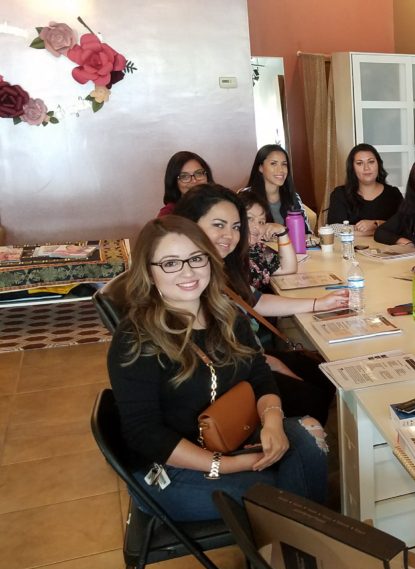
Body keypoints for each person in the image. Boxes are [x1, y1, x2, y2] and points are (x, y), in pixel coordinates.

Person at [105, 216, 327, 522]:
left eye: (196, 258)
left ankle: (295, 550)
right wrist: (225, 464)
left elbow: (259, 375)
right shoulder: (136, 339)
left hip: (233, 436)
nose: (188, 271)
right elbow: (144, 434)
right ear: (149, 272)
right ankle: (297, 553)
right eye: (170, 263)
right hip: (171, 468)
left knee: (309, 441)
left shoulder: (225, 314)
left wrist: (273, 421)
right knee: (276, 492)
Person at [173, 184, 345, 423]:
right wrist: (264, 362)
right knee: (310, 395)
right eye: (218, 225)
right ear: (190, 224)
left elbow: (256, 301)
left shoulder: (221, 265)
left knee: (321, 373)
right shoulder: (188, 277)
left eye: (235, 227)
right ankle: (294, 440)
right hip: (224, 374)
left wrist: (318, 303)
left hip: (248, 355)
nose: (230, 235)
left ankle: (307, 435)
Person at [326, 144, 403, 234]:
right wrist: (383, 228)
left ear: (378, 164)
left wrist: (375, 224)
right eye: (359, 163)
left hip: (390, 248)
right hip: (350, 247)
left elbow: (404, 225)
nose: (366, 168)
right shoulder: (340, 194)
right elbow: (334, 229)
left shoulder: (393, 194)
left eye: (371, 162)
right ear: (352, 168)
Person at [239, 189, 297, 293]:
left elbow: (288, 268)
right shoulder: (228, 253)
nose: (256, 226)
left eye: (261, 222)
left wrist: (282, 232)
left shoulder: (257, 249)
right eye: (249, 218)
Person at [242, 144, 309, 231]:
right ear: (260, 167)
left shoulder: (292, 196)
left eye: (284, 164)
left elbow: (306, 233)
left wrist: (281, 230)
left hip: (289, 244)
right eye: (273, 164)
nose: (280, 170)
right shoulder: (246, 196)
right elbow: (241, 232)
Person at [158, 151, 213, 217]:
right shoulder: (168, 214)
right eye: (184, 176)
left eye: (199, 173)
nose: (194, 181)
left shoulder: (221, 203)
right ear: (174, 181)